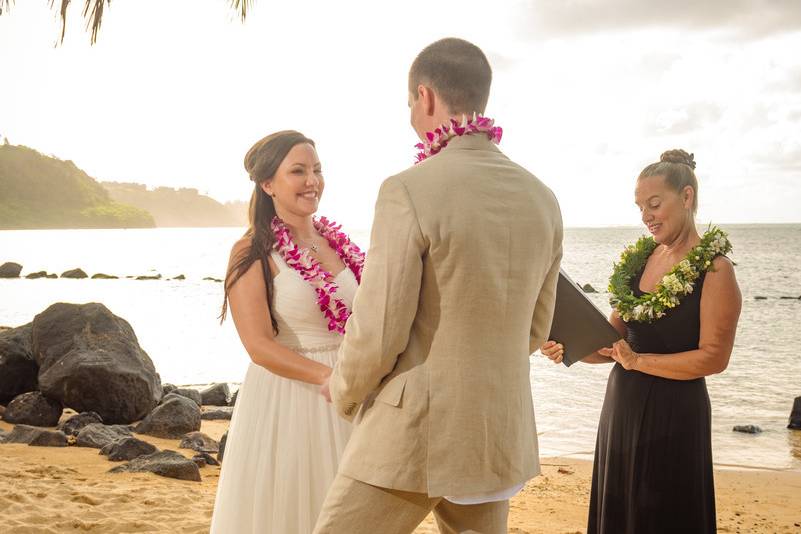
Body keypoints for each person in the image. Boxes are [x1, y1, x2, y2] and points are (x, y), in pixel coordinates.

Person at [313, 38, 563, 534]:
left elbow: (380, 329)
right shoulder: (544, 200)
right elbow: (536, 330)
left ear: (425, 97)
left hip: (416, 431)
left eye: (410, 103)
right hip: (496, 435)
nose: (410, 114)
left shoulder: (408, 189)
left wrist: (342, 388)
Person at [542, 149, 742, 533]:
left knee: (663, 514)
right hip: (622, 407)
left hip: (675, 414)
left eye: (654, 204)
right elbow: (612, 343)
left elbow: (714, 358)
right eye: (640, 207)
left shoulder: (716, 269)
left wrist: (638, 362)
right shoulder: (641, 261)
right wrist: (568, 344)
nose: (646, 215)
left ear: (686, 197)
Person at [210, 131, 364, 533]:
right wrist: (328, 377)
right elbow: (258, 345)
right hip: (293, 398)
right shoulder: (252, 251)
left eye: (317, 170)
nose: (312, 181)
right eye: (298, 171)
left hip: (352, 396)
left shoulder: (338, 243)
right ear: (267, 184)